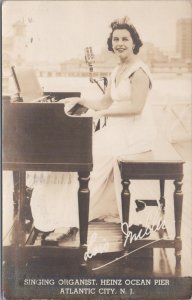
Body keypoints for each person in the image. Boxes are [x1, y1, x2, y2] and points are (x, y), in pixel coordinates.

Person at [29, 16, 157, 241]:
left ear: (134, 42)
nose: (120, 43)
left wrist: (102, 114)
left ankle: (67, 219)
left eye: (125, 39)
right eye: (115, 39)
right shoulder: (118, 69)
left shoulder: (139, 71)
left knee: (84, 160)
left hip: (135, 133)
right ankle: (62, 215)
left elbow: (136, 107)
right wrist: (79, 101)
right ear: (111, 43)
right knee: (77, 157)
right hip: (120, 130)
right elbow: (105, 102)